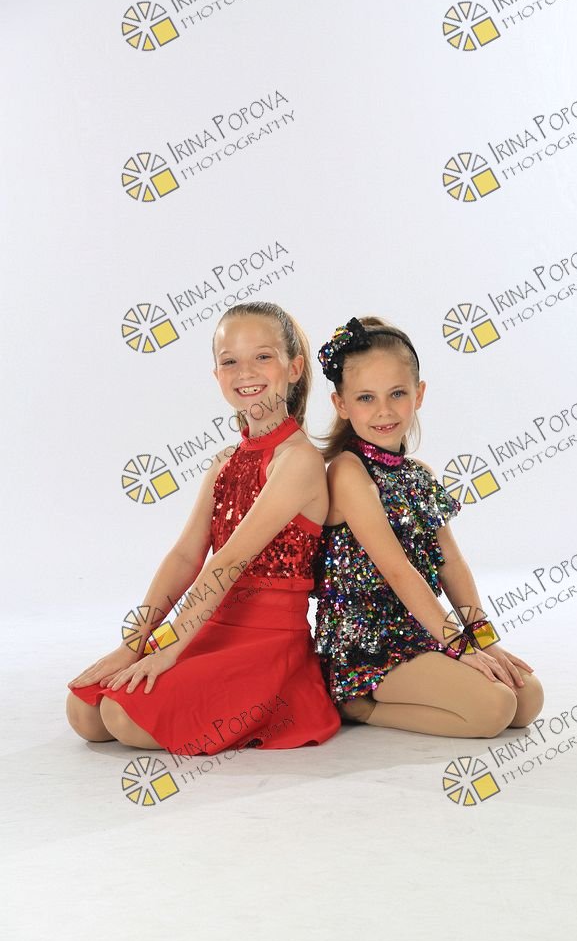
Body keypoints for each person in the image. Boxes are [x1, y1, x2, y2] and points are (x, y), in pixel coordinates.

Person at [66, 302, 341, 755]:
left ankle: (274, 702)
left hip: (267, 645)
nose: (245, 372)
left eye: (263, 356)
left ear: (293, 368)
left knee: (122, 717)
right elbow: (185, 556)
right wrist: (135, 643)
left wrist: (170, 649)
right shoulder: (224, 462)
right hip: (212, 624)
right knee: (84, 713)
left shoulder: (299, 461)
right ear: (216, 375)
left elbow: (229, 561)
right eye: (230, 361)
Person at [311, 315, 544, 737]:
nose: (384, 410)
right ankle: (359, 707)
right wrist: (458, 646)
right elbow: (397, 569)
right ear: (341, 404)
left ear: (418, 394)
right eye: (365, 398)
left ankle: (437, 674)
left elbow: (450, 562)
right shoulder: (348, 472)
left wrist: (482, 639)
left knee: (528, 698)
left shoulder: (418, 474)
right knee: (494, 707)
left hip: (423, 629)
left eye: (397, 393)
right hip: (367, 646)